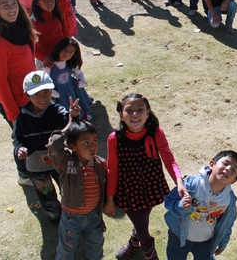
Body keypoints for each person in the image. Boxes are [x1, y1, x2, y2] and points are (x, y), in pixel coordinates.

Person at [105, 93, 187, 260]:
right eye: (129, 110)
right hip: (127, 191)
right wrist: (110, 199)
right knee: (143, 229)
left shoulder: (156, 132)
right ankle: (151, 256)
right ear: (122, 114)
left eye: (140, 110)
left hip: (151, 186)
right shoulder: (115, 139)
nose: (135, 114)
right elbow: (111, 170)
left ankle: (131, 247)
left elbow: (168, 159)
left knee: (141, 221)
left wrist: (179, 181)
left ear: (148, 112)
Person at [0, 0, 37, 185]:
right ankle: (24, 175)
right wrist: (13, 114)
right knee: (21, 141)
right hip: (15, 103)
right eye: (5, 5)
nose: (11, 9)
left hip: (31, 98)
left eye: (13, 3)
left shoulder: (22, 28)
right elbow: (0, 84)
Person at [14, 71, 81, 223]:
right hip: (36, 167)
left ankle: (71, 212)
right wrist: (20, 149)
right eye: (36, 94)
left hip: (59, 162)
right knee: (46, 194)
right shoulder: (23, 117)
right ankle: (54, 215)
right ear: (27, 96)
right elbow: (18, 139)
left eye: (46, 92)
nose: (43, 97)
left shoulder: (57, 112)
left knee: (67, 188)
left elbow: (73, 130)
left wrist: (74, 117)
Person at [164, 150, 237, 260]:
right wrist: (181, 206)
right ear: (212, 164)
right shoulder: (192, 184)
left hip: (206, 241)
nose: (229, 168)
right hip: (178, 236)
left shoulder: (229, 200)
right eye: (225, 163)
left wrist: (223, 243)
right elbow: (169, 201)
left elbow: (227, 223)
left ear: (234, 180)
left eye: (234, 169)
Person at [48, 120, 107, 260]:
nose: (92, 146)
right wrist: (70, 122)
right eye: (85, 143)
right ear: (72, 146)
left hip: (94, 216)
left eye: (94, 141)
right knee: (66, 249)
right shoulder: (65, 162)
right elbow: (53, 145)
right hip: (70, 218)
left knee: (96, 245)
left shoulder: (100, 164)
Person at [45, 37, 93, 121]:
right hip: (57, 93)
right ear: (59, 48)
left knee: (76, 104)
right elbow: (45, 82)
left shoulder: (70, 64)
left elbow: (79, 73)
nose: (67, 54)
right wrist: (55, 94)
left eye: (71, 52)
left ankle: (81, 116)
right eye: (65, 49)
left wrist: (81, 83)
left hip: (71, 90)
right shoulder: (50, 65)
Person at [31, 0, 69, 69]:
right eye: (44, 0)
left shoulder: (58, 17)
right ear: (37, 2)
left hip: (61, 58)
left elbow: (65, 36)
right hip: (46, 62)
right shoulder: (34, 23)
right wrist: (44, 57)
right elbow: (31, 47)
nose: (49, 2)